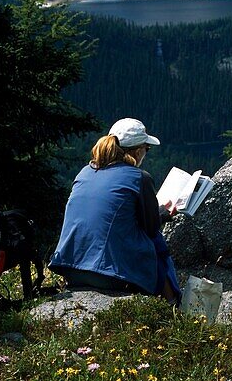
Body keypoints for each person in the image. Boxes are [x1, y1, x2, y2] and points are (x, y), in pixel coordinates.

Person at [49, 118, 181, 305]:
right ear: (137, 151)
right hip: (109, 274)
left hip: (71, 269)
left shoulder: (84, 172)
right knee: (156, 242)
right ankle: (173, 304)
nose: (146, 153)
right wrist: (164, 213)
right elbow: (151, 228)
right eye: (147, 149)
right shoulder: (139, 178)